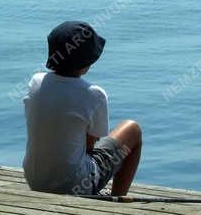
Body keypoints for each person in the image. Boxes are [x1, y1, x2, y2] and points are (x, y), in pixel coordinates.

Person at [22, 21, 143, 197]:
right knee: (133, 130)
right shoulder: (94, 94)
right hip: (75, 186)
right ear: (87, 61)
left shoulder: (35, 82)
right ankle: (118, 197)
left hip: (35, 180)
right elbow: (89, 146)